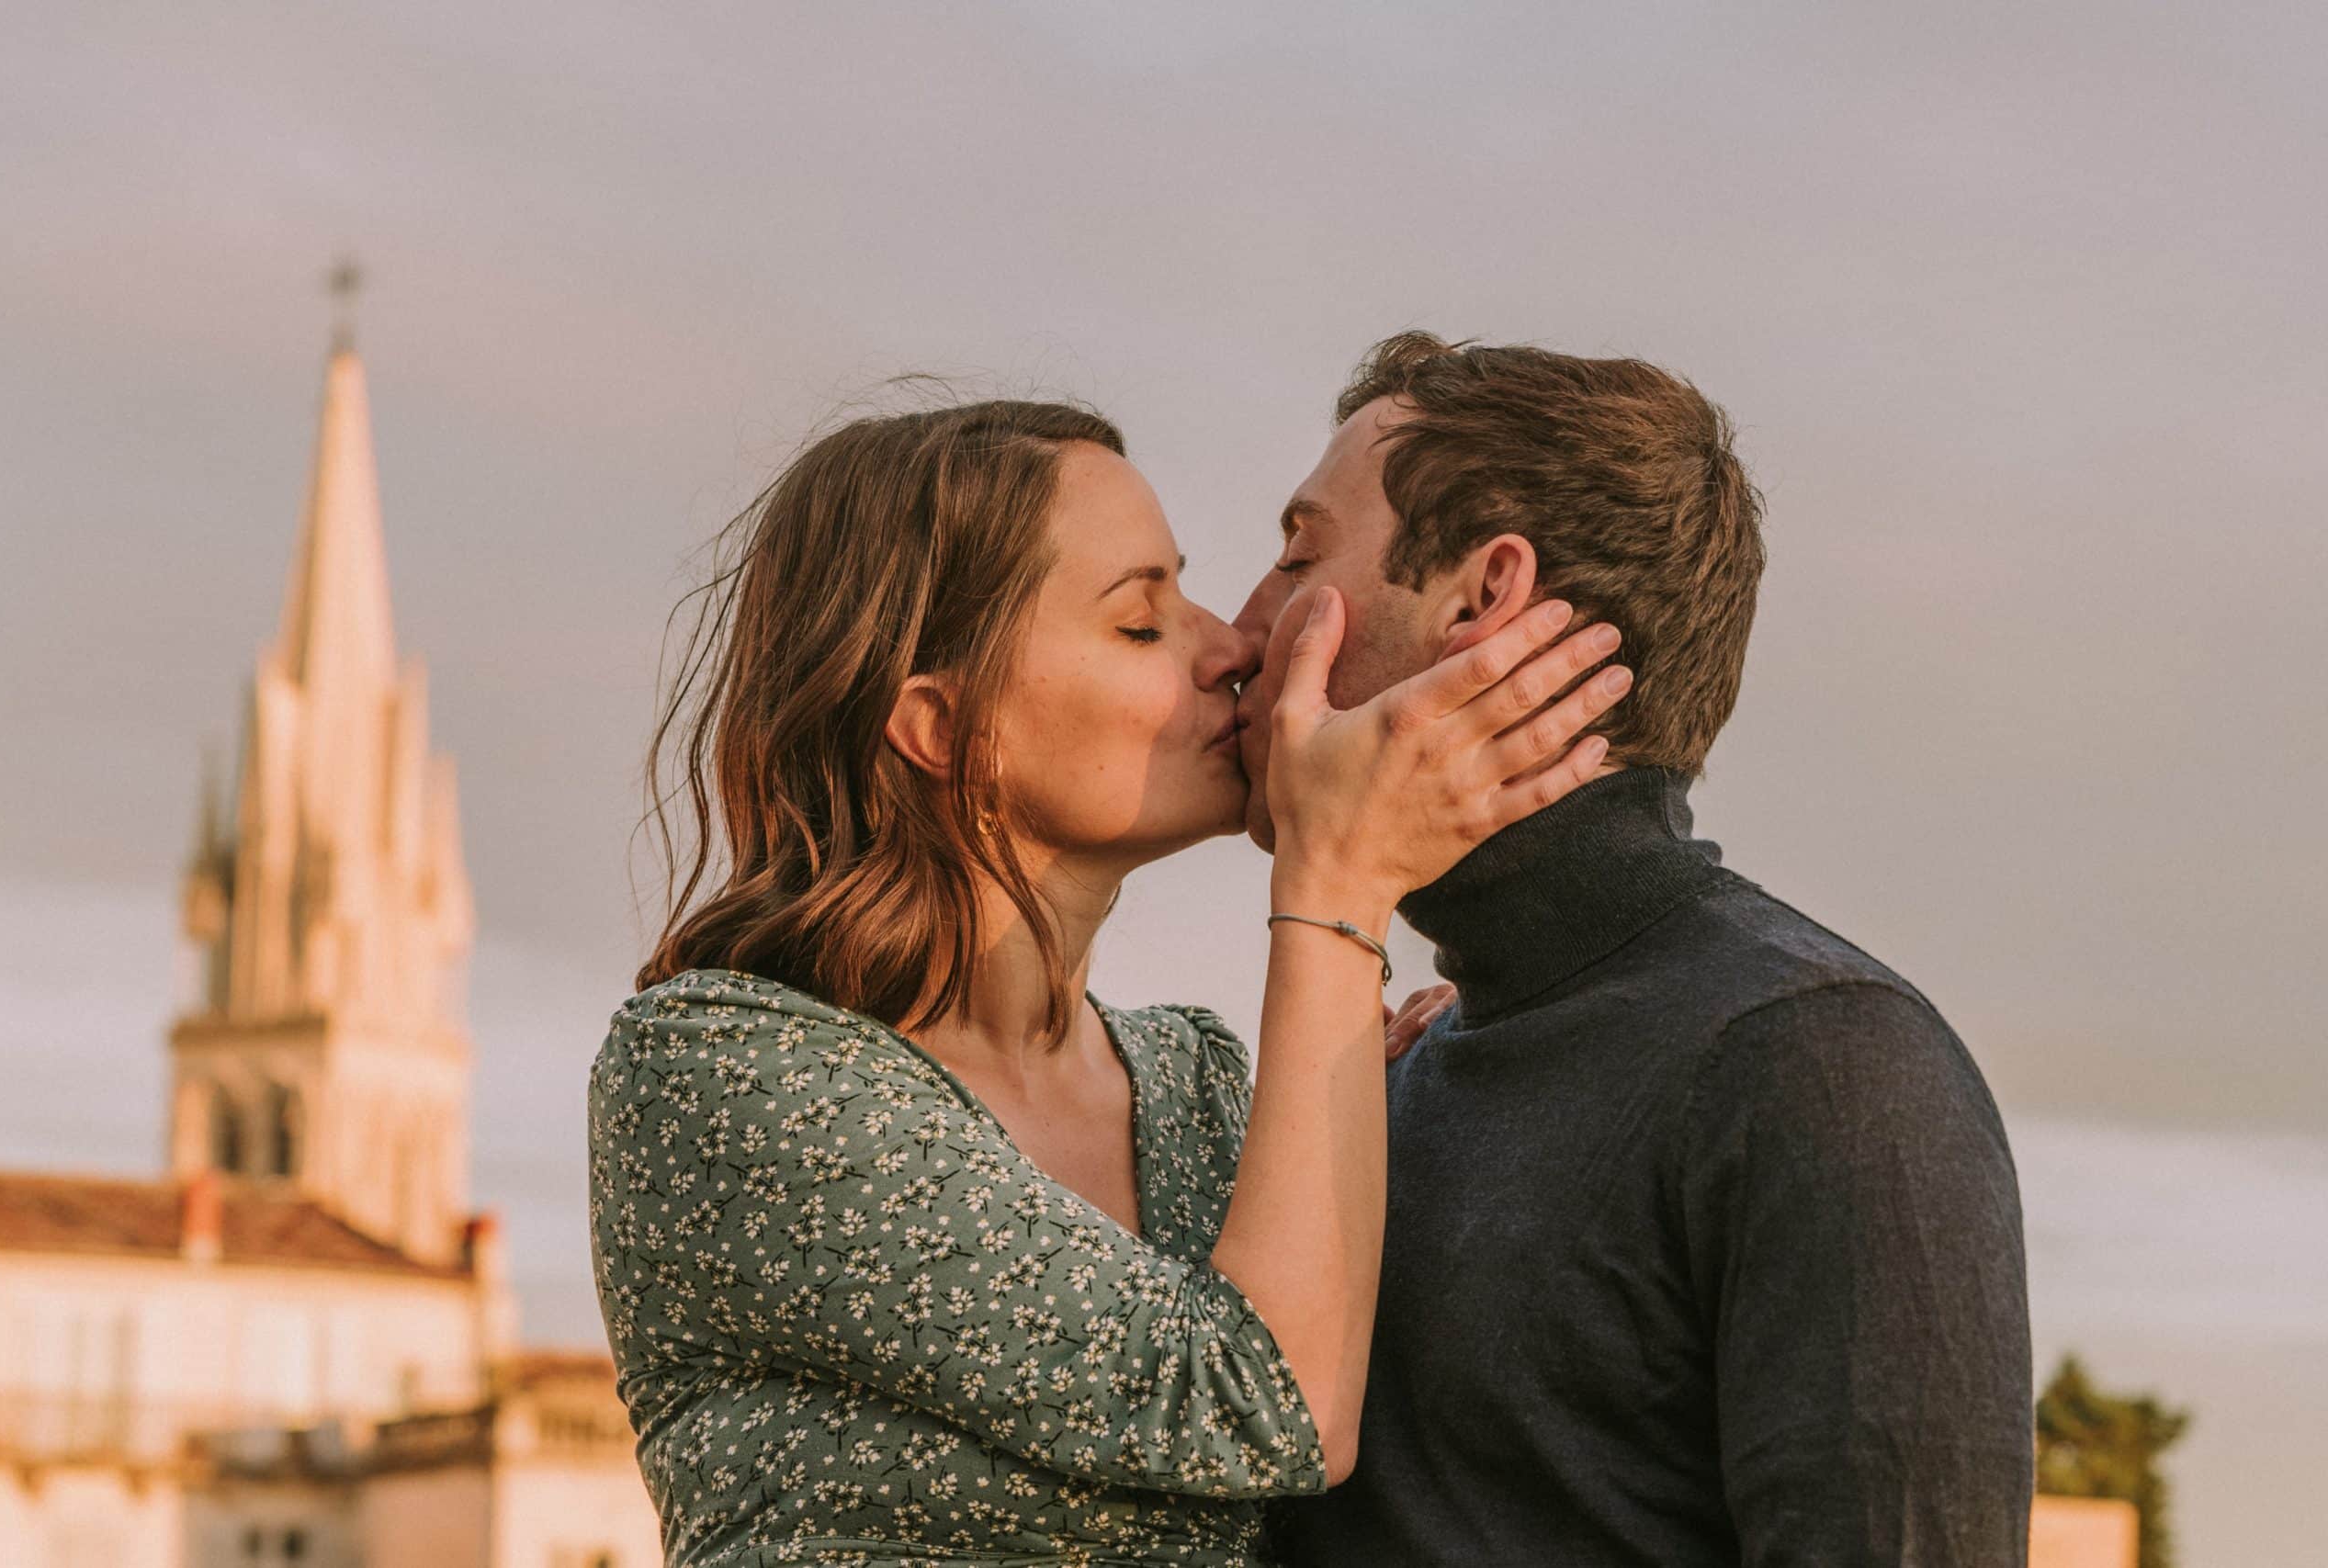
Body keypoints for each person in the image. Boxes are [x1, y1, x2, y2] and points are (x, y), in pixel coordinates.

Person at [587, 398, 1631, 1567]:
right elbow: (1262, 1406)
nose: (1229, 647)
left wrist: (1412, 1093)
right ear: (943, 726)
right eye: (1141, 624)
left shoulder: (1194, 1082)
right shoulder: (721, 1070)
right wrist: (1339, 886)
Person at [1236, 333, 2035, 1567]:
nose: (1244, 627)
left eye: (1300, 556)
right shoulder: (1391, 1067)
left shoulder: (1822, 1062)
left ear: (1479, 599)